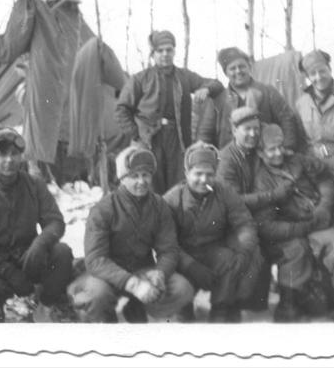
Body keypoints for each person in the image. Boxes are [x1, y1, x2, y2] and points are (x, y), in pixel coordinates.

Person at [0, 123, 73, 322]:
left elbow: (55, 221)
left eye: (14, 153)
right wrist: (4, 269)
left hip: (28, 257)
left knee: (62, 253)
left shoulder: (34, 185)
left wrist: (40, 244)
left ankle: (44, 305)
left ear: (21, 156)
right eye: (2, 154)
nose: (9, 160)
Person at [67, 145, 194, 323]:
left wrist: (160, 273)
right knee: (96, 296)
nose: (141, 181)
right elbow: (95, 259)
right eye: (134, 176)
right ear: (122, 179)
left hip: (142, 270)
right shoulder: (103, 209)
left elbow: (169, 249)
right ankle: (104, 322)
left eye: (146, 175)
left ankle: (137, 306)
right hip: (106, 275)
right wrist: (131, 284)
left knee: (182, 288)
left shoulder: (158, 206)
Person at [253, 124, 334, 322]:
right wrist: (303, 227)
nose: (278, 153)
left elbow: (324, 179)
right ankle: (291, 302)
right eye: (271, 149)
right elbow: (268, 225)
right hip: (294, 231)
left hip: (321, 222)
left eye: (280, 146)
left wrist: (324, 204)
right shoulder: (261, 180)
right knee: (306, 248)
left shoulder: (298, 161)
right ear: (261, 152)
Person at [163, 142, 263, 322]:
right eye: (198, 174)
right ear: (187, 174)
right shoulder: (172, 199)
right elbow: (165, 242)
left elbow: (244, 223)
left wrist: (244, 251)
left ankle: (221, 308)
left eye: (209, 174)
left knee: (232, 259)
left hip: (212, 249)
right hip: (183, 254)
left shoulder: (224, 192)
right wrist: (190, 265)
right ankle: (183, 308)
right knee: (172, 266)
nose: (204, 180)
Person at [115, 30, 223, 194]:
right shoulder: (140, 79)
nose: (165, 54)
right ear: (153, 54)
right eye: (160, 50)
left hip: (177, 138)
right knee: (150, 182)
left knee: (177, 184)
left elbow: (216, 84)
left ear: (174, 51)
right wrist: (136, 134)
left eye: (169, 50)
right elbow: (122, 109)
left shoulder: (184, 76)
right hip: (149, 139)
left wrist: (206, 89)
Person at [215, 107, 295, 312]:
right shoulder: (227, 159)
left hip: (260, 217)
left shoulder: (257, 151)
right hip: (232, 223)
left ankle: (282, 298)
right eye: (246, 129)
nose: (252, 134)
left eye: (256, 129)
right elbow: (232, 201)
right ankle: (230, 304)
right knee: (251, 251)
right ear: (234, 130)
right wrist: (273, 196)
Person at [197, 47, 297, 150]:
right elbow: (206, 133)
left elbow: (287, 118)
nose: (238, 71)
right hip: (232, 157)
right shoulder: (218, 99)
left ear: (249, 67)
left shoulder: (268, 91)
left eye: (242, 66)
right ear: (226, 73)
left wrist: (288, 147)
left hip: (264, 156)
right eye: (232, 68)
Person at [294, 49, 334, 187]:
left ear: (330, 70)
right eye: (313, 74)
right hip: (314, 168)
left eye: (322, 71)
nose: (318, 77)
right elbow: (300, 139)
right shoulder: (301, 103)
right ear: (308, 77)